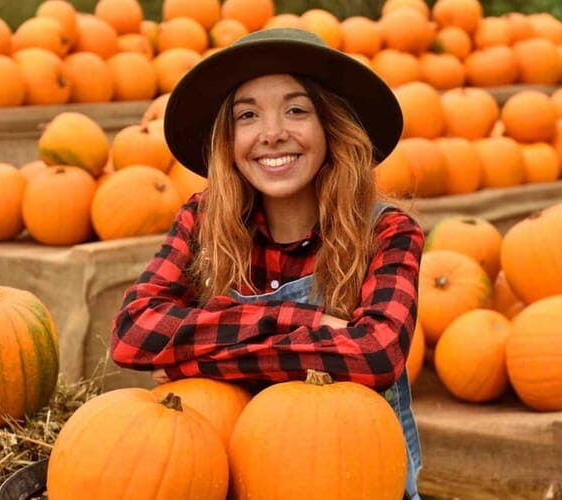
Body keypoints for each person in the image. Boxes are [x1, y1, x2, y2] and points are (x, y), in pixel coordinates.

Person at [110, 28, 423, 499]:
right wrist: (307, 321)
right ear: (228, 138)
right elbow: (134, 333)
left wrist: (196, 359)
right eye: (248, 115)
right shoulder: (203, 220)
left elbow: (374, 354)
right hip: (230, 482)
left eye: (296, 110)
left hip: (349, 480)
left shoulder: (387, 232)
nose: (272, 134)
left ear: (330, 127)